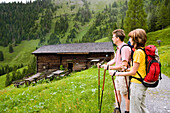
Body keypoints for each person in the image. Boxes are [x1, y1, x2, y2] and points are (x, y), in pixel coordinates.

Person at [109, 28, 150, 113]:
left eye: (131, 38)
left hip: (137, 84)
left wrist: (116, 73)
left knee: (135, 109)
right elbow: (136, 68)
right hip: (141, 83)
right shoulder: (142, 51)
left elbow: (133, 72)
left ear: (136, 39)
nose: (129, 40)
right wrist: (127, 68)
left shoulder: (138, 52)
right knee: (142, 108)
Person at [98, 29, 131, 113]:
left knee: (125, 94)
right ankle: (117, 109)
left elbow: (124, 65)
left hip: (123, 75)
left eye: (113, 37)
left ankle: (127, 111)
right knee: (117, 92)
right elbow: (114, 61)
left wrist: (111, 68)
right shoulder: (118, 48)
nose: (112, 39)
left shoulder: (124, 48)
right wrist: (105, 65)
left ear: (118, 38)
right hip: (118, 74)